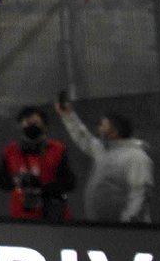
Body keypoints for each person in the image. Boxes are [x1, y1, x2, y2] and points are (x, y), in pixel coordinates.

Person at [56, 93, 154, 224]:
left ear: (114, 132)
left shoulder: (136, 157)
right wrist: (68, 115)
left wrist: (129, 223)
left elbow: (140, 193)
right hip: (103, 229)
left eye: (103, 125)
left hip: (128, 232)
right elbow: (83, 137)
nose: (99, 129)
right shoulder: (103, 151)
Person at [0, 105, 76, 220]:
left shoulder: (57, 149)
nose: (31, 127)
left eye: (36, 123)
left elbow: (69, 182)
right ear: (20, 125)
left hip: (53, 216)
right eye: (27, 123)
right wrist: (18, 182)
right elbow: (0, 180)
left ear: (45, 126)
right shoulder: (11, 151)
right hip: (21, 216)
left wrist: (43, 188)